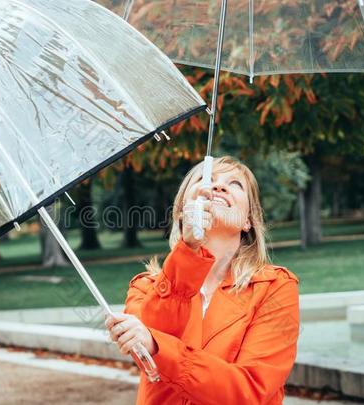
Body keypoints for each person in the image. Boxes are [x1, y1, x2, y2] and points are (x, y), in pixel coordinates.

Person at [105, 156, 300, 404]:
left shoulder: (274, 288)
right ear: (181, 212)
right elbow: (158, 374)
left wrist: (157, 346)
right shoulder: (145, 289)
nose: (218, 187)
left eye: (235, 184)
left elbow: (250, 391)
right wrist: (188, 250)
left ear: (248, 220)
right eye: (206, 180)